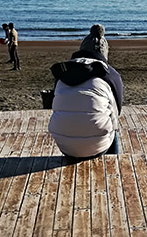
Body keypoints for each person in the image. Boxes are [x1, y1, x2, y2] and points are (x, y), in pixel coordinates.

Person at [48, 26, 122, 160]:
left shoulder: (64, 72)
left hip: (64, 145)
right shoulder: (109, 74)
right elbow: (117, 111)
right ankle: (113, 162)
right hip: (97, 146)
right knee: (114, 127)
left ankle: (73, 153)